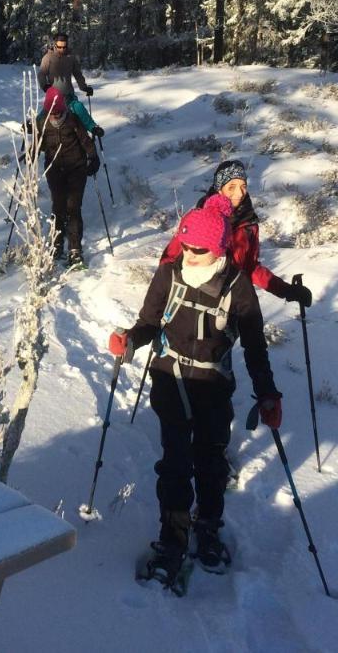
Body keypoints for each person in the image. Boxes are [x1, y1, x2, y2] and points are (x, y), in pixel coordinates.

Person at [109, 193, 281, 581]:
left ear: (218, 248)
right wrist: (130, 340)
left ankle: (207, 529)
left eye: (198, 249)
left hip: (213, 386)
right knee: (174, 465)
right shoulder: (169, 274)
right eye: (185, 245)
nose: (189, 254)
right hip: (170, 383)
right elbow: (149, 323)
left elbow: (255, 346)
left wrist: (267, 393)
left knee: (210, 463)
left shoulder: (237, 286)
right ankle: (172, 538)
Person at [161, 159, 313, 308]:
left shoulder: (248, 225)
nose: (239, 193)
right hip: (192, 301)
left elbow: (250, 268)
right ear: (219, 189)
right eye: (231, 187)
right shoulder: (198, 218)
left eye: (243, 186)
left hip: (229, 304)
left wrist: (285, 290)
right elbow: (168, 261)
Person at [30, 86, 100, 267]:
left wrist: (93, 157)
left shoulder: (72, 120)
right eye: (51, 112)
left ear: (63, 108)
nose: (55, 116)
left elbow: (85, 140)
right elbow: (38, 143)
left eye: (58, 112)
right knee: (59, 206)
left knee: (73, 207)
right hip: (55, 169)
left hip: (76, 167)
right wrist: (31, 153)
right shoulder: (43, 122)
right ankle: (57, 244)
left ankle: (75, 249)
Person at [37, 33, 102, 136]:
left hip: (68, 95)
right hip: (53, 97)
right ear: (54, 45)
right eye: (59, 47)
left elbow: (77, 74)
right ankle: (34, 130)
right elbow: (41, 74)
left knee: (79, 107)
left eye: (64, 47)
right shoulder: (48, 58)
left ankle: (93, 128)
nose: (62, 49)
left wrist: (84, 87)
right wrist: (45, 86)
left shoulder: (71, 57)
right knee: (43, 116)